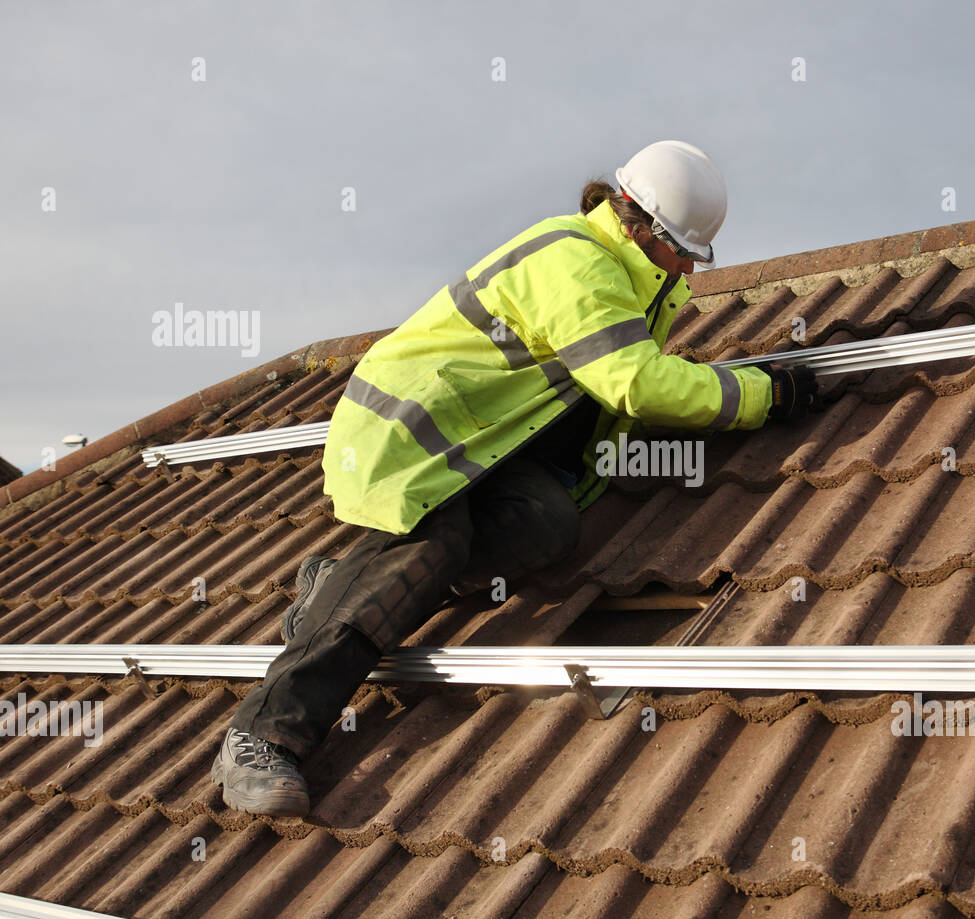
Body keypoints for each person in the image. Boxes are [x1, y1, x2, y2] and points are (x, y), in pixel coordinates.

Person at [209, 140, 820, 817]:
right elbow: (636, 382)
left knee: (546, 526)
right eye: (679, 249)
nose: (685, 266)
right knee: (429, 547)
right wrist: (763, 397)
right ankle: (263, 734)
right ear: (635, 221)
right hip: (410, 431)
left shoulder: (637, 273)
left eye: (690, 254)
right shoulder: (576, 262)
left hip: (484, 441)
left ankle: (335, 586)